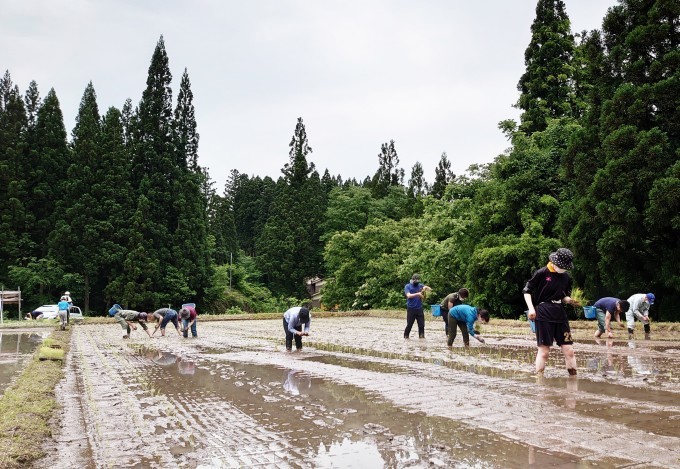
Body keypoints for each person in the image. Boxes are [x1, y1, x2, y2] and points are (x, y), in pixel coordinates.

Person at [523, 248, 578, 376]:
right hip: (543, 313)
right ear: (554, 261)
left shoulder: (566, 277)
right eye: (561, 266)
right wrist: (531, 308)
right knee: (544, 351)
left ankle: (573, 379)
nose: (562, 269)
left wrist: (569, 300)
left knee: (569, 350)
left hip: (560, 314)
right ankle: (539, 379)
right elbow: (527, 290)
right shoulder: (542, 273)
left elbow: (563, 296)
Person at [403, 274, 431, 339]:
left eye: (418, 281)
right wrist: (418, 294)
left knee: (421, 325)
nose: (417, 283)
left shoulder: (420, 285)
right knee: (409, 324)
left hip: (419, 308)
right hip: (411, 308)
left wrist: (426, 288)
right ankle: (406, 336)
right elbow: (408, 295)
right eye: (415, 281)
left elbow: (429, 289)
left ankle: (422, 337)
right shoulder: (408, 286)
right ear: (412, 280)